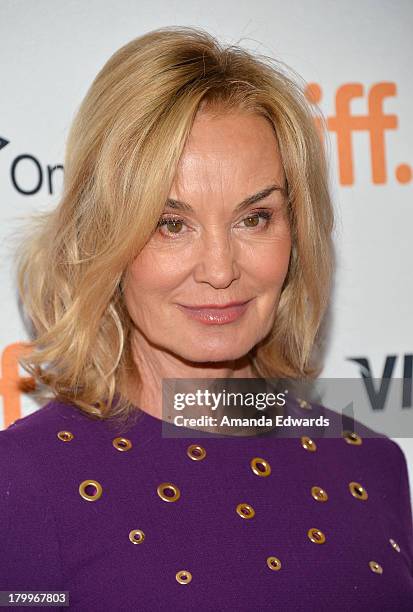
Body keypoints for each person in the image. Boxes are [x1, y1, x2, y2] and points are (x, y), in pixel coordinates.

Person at [1, 25, 412, 611]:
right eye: (172, 223)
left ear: (296, 231)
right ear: (103, 239)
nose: (220, 270)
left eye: (255, 218)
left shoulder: (373, 463)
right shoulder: (23, 483)